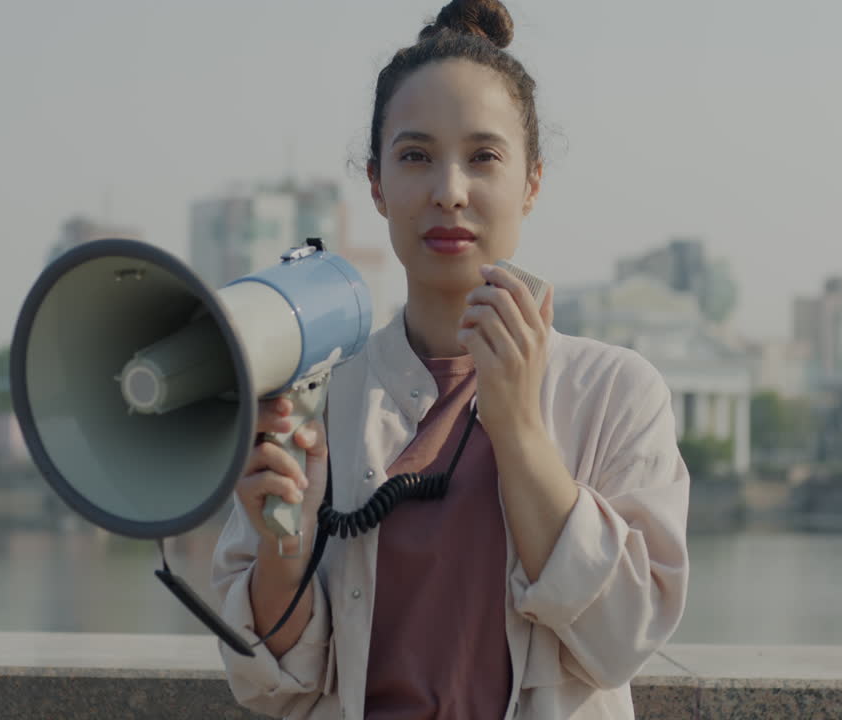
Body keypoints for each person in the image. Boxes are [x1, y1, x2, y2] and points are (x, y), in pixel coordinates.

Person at [211, 1, 690, 717]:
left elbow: (621, 638)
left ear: (532, 183)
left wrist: (518, 426)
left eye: (484, 158)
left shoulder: (614, 392)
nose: (449, 192)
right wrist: (285, 543)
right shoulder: (316, 390)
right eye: (415, 157)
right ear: (377, 185)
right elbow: (271, 687)